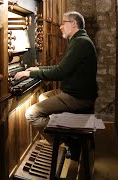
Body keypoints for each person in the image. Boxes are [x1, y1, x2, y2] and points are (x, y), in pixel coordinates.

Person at [14, 11, 99, 151]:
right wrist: (37, 68)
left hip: (78, 97)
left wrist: (31, 74)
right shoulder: (79, 40)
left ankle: (66, 140)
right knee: (43, 96)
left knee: (31, 113)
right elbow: (61, 67)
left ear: (73, 24)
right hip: (75, 92)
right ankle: (63, 132)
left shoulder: (80, 42)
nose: (60, 26)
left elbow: (60, 72)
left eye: (63, 22)